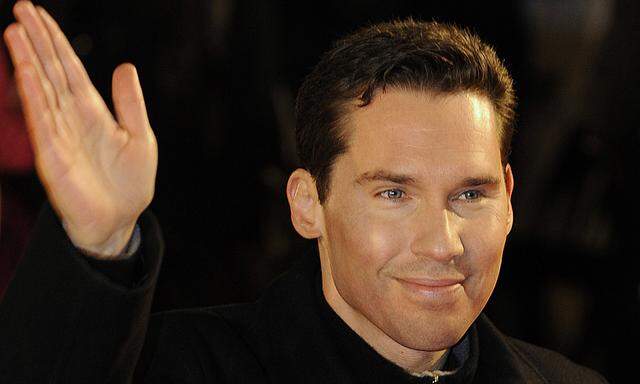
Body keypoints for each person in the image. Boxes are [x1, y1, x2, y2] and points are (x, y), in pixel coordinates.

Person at [0, 1, 608, 383]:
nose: (441, 242)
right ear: (307, 204)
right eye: (393, 194)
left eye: (469, 196)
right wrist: (97, 241)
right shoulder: (176, 365)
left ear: (509, 198)